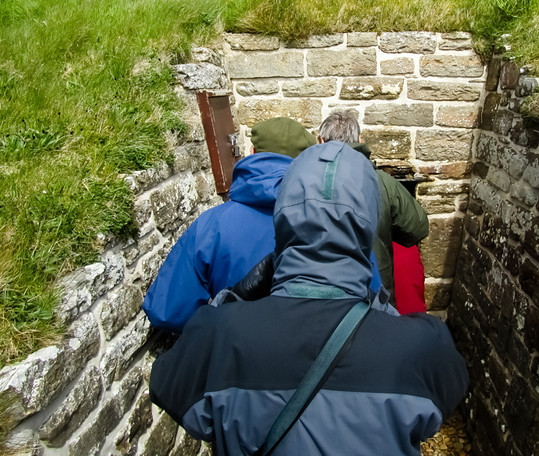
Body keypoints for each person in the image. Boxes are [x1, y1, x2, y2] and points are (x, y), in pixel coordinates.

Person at [149, 141, 469, 455]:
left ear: (283, 215)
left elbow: (168, 386)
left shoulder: (216, 336)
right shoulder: (423, 346)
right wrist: (379, 304)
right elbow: (439, 407)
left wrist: (233, 299)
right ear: (370, 220)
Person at [141, 116, 315, 333]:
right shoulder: (331, 220)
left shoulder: (212, 224)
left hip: (233, 352)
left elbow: (167, 312)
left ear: (251, 152)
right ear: (306, 161)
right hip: (310, 355)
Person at [317, 110, 429, 308]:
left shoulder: (303, 180)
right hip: (374, 295)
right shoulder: (383, 183)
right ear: (360, 140)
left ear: (320, 141)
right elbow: (417, 228)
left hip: (321, 295)